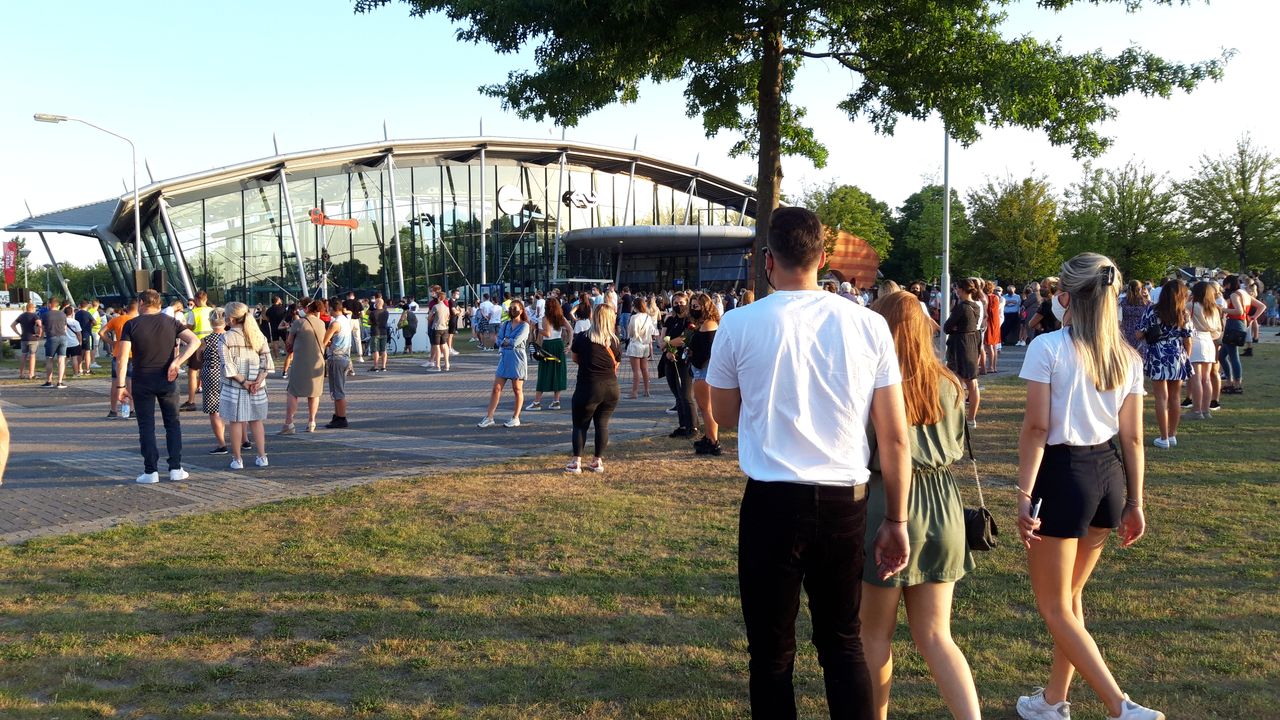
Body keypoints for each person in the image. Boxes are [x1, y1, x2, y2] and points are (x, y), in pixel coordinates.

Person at [707, 207, 910, 719]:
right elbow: (894, 437)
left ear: (768, 260)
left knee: (771, 652)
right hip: (844, 500)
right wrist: (897, 519)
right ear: (822, 259)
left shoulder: (738, 323)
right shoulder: (868, 325)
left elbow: (725, 416)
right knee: (843, 642)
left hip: (771, 500)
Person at [1014, 253, 1163, 720]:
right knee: (1071, 598)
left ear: (1067, 296)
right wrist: (1135, 500)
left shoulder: (1049, 347)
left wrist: (1023, 494)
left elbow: (1037, 429)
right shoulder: (1127, 355)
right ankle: (1053, 700)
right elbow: (1133, 437)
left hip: (1064, 476)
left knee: (1055, 606)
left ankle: (1121, 707)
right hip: (1109, 476)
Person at [859, 290, 979, 720]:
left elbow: (865, 449)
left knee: (874, 635)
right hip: (943, 504)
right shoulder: (950, 383)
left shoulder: (872, 384)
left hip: (887, 500)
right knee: (936, 635)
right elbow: (958, 444)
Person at [116, 289, 200, 484]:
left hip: (142, 380)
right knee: (172, 424)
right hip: (167, 379)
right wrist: (177, 362)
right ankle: (175, 468)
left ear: (141, 303)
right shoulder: (172, 322)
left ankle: (150, 471)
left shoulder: (131, 324)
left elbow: (122, 358)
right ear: (159, 304)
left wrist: (121, 386)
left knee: (146, 426)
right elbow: (195, 341)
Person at [565, 303, 622, 473]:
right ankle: (597, 461)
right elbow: (616, 364)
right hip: (611, 388)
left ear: (594, 317)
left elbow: (575, 358)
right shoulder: (614, 341)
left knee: (580, 425)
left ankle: (576, 462)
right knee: (602, 424)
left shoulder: (582, 337)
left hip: (588, 386)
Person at [1138, 280, 1191, 449]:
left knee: (1161, 397)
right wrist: (1186, 357)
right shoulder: (1183, 313)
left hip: (1158, 353)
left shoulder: (1152, 310)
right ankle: (1172, 434)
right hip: (1177, 353)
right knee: (1175, 397)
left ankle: (1163, 437)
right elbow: (1188, 338)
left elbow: (1139, 333)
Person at [220, 302, 271, 469]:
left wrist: (243, 381)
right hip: (257, 385)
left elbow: (227, 365)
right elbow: (266, 361)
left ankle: (237, 459)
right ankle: (262, 456)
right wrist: (258, 379)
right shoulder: (258, 335)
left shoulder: (226, 337)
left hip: (235, 386)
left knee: (235, 421)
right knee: (256, 420)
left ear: (231, 319)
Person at [478, 299, 531, 428]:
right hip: (505, 358)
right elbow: (498, 340)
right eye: (511, 308)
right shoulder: (506, 324)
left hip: (517, 359)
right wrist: (506, 341)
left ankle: (516, 417)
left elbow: (516, 342)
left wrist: (507, 341)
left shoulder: (524, 325)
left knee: (517, 389)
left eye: (515, 308)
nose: (512, 310)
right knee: (496, 388)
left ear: (521, 310)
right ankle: (489, 417)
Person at [281, 299, 326, 434]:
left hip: (300, 361)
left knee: (292, 391)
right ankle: (312, 422)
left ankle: (289, 423)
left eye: (300, 307)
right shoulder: (321, 323)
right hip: (317, 362)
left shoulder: (298, 323)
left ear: (306, 308)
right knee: (314, 393)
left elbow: (289, 343)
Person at [687, 292, 722, 455]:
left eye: (696, 306)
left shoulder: (709, 325)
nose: (693, 309)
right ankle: (709, 437)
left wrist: (694, 359)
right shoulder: (706, 323)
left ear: (705, 307)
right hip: (701, 369)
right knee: (705, 408)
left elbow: (707, 350)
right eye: (692, 306)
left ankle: (713, 441)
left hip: (703, 370)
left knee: (706, 408)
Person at [1219, 274, 1267, 395]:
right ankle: (1230, 382)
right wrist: (1253, 317)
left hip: (1234, 324)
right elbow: (1262, 306)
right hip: (1241, 324)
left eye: (1225, 285)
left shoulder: (1234, 295)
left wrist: (1222, 309)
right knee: (1222, 355)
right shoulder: (1244, 294)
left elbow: (1239, 311)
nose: (1225, 288)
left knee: (1233, 356)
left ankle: (1236, 384)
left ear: (1229, 284)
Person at [943, 279, 982, 428]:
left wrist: (955, 328)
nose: (957, 291)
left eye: (958, 289)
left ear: (962, 289)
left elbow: (947, 327)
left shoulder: (962, 307)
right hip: (972, 342)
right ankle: (971, 418)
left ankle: (958, 417)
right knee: (973, 383)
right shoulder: (976, 306)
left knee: (958, 381)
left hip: (960, 344)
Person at [660, 292, 696, 438]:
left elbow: (684, 338)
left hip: (684, 361)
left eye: (681, 303)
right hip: (669, 360)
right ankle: (682, 425)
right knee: (678, 396)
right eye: (675, 303)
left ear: (687, 303)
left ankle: (693, 427)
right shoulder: (670, 320)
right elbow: (661, 341)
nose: (678, 305)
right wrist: (667, 349)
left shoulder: (690, 320)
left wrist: (668, 344)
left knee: (686, 395)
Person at [201, 307, 236, 455]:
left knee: (214, 409)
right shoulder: (231, 337)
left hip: (211, 372)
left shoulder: (206, 340)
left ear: (210, 322)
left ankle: (222, 444)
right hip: (230, 373)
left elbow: (199, 356)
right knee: (235, 407)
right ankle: (244, 440)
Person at [1187, 281, 1223, 421]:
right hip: (1209, 340)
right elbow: (1218, 331)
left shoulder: (1192, 305)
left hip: (1196, 339)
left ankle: (1196, 410)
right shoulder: (1214, 308)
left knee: (1196, 378)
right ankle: (1205, 410)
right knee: (1206, 378)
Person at [528, 296, 572, 411]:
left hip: (548, 345)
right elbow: (570, 329)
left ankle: (537, 402)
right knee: (557, 372)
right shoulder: (560, 317)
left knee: (543, 372)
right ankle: (556, 401)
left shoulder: (545, 318)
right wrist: (569, 345)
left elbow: (547, 333)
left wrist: (536, 329)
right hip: (558, 344)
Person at [101, 299, 139, 419]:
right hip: (132, 354)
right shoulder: (137, 321)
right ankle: (132, 409)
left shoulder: (117, 319)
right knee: (130, 382)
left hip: (118, 353)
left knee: (115, 382)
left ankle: (113, 410)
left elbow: (101, 332)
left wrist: (112, 343)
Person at [321, 298, 354, 429]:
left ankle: (341, 417)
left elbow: (324, 341)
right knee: (338, 389)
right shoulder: (345, 320)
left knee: (337, 390)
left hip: (336, 357)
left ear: (332, 308)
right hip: (345, 357)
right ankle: (337, 415)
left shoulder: (335, 323)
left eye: (328, 307)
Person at [625, 297, 657, 399]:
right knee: (645, 369)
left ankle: (634, 392)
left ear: (635, 306)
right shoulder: (648, 317)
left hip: (635, 344)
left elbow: (630, 333)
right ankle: (647, 391)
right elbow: (653, 331)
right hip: (646, 345)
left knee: (636, 371)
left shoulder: (634, 317)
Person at [40, 297, 69, 389]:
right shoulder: (63, 314)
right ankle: (60, 382)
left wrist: (41, 336)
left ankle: (49, 381)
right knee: (61, 360)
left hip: (52, 337)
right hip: (63, 337)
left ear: (50, 304)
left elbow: (42, 328)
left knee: (49, 359)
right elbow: (65, 328)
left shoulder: (45, 315)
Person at [11, 302, 41, 380]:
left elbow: (12, 325)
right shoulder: (35, 316)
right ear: (33, 308)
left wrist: (19, 334)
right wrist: (39, 333)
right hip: (33, 338)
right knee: (32, 355)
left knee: (23, 355)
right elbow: (39, 324)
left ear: (26, 308)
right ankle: (31, 374)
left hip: (24, 338)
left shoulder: (21, 316)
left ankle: (21, 374)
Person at [1119, 280, 1149, 349]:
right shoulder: (1147, 303)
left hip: (1126, 334)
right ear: (1140, 289)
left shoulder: (1121, 301)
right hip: (1141, 335)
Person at [426, 289, 451, 371]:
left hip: (436, 328)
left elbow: (429, 317)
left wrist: (431, 320)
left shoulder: (435, 307)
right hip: (445, 328)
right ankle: (447, 364)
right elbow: (448, 318)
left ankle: (437, 366)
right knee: (444, 345)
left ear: (439, 297)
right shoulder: (447, 308)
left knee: (437, 346)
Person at [367, 295, 390, 371]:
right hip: (384, 332)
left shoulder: (373, 313)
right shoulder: (386, 312)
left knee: (375, 350)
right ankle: (383, 367)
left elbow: (369, 322)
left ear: (376, 304)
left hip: (375, 332)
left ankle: (376, 366)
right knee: (383, 350)